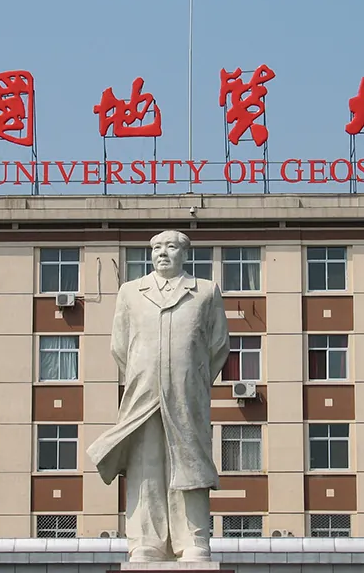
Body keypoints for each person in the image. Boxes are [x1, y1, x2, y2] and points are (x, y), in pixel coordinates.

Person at [87, 230, 230, 562]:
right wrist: (145, 371)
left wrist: (190, 376)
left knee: (190, 465)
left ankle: (193, 540)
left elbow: (218, 346)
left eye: (170, 247)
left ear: (184, 253)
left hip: (187, 395)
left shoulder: (205, 292)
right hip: (143, 392)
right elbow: (120, 346)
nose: (162, 253)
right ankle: (145, 540)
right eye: (156, 248)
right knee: (145, 465)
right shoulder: (130, 293)